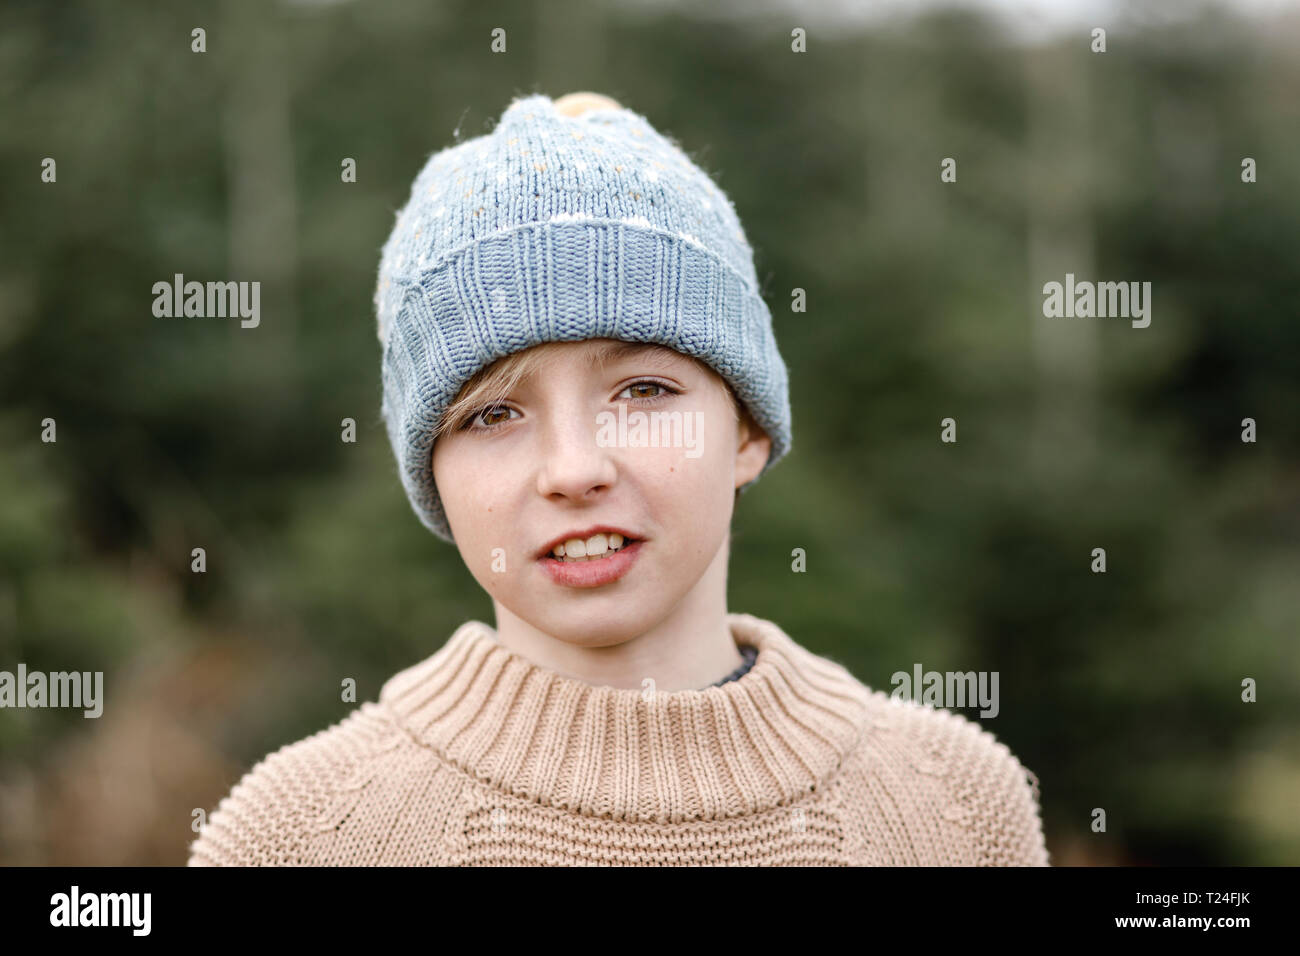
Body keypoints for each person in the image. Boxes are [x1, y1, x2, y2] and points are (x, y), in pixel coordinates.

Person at [187, 91, 1050, 866]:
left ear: (747, 428)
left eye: (643, 391)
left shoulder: (959, 803)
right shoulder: (290, 838)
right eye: (492, 415)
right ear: (431, 475)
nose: (574, 470)